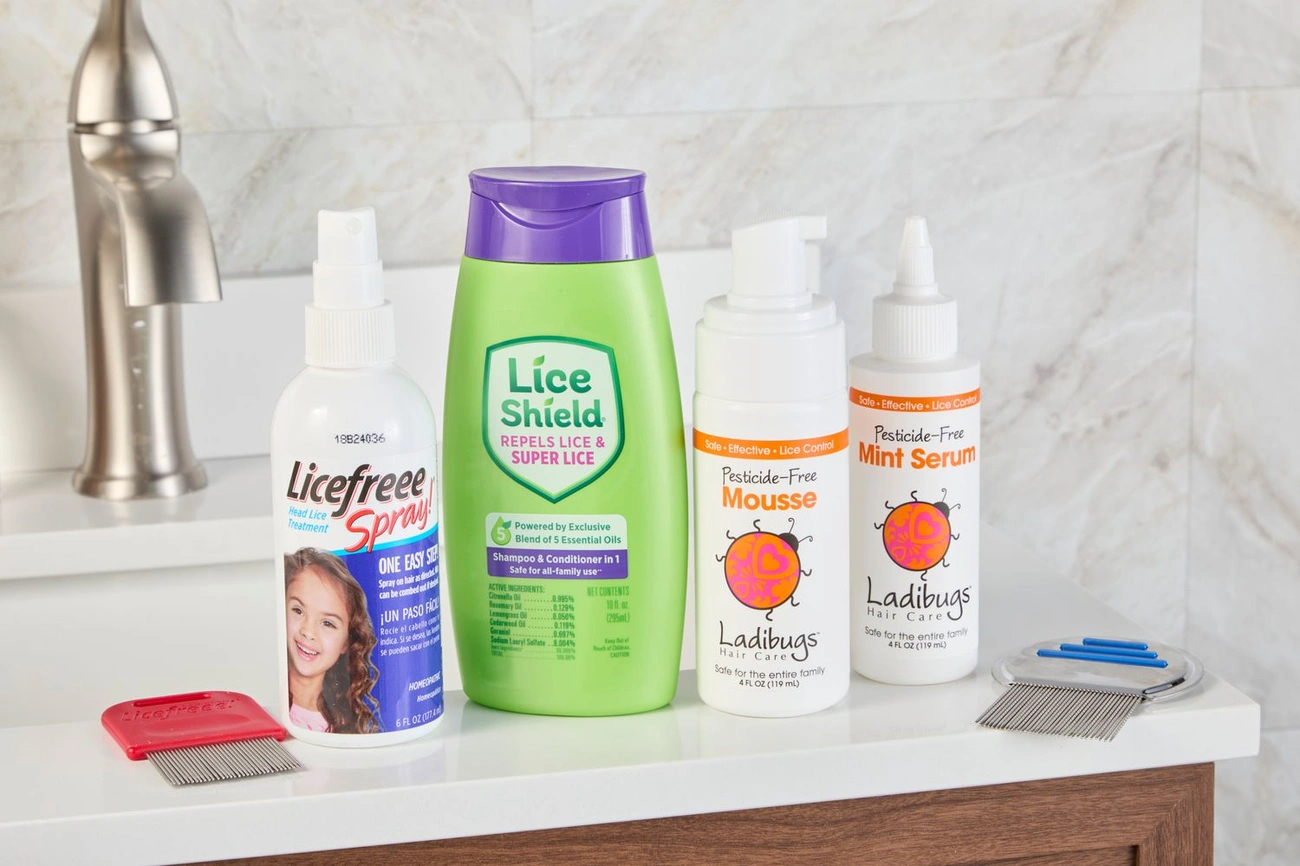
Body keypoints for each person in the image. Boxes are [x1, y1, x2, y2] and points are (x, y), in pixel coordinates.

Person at [284, 548, 380, 733]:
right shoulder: (274, 707)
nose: (308, 632)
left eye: (327, 623)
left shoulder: (346, 725)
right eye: (298, 610)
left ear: (346, 642)